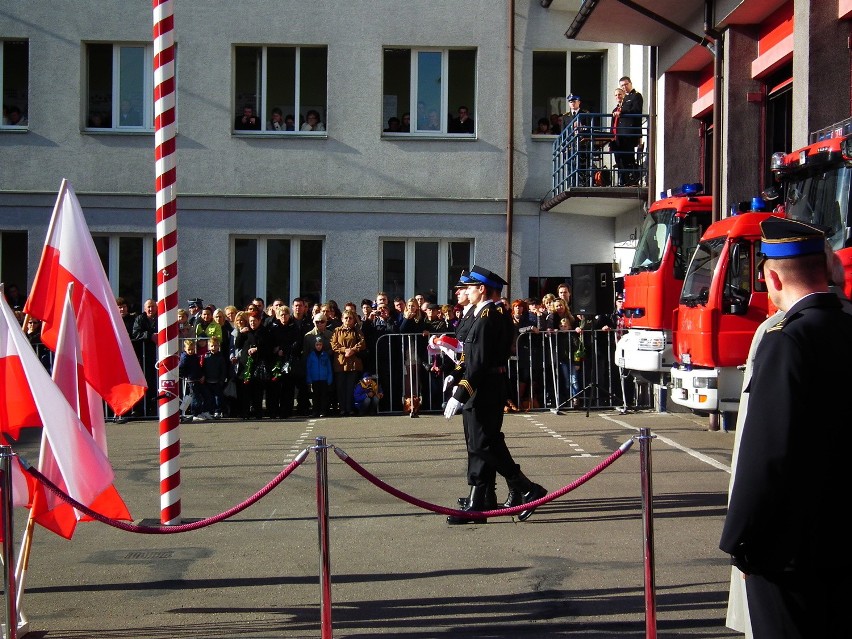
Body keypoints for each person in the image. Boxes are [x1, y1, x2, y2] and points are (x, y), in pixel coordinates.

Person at [719, 218, 852, 638]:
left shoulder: (786, 339)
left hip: (790, 552)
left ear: (772, 277)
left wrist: (741, 541)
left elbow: (767, 454)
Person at [443, 265, 547, 524]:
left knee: (484, 444)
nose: (465, 291)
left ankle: (525, 488)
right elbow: (468, 355)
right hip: (479, 384)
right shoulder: (481, 313)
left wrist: (460, 393)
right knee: (477, 444)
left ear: (481, 289)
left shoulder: (490, 314)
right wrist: (456, 375)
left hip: (486, 386)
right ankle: (480, 501)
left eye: (469, 287)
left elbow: (479, 362)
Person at [331, 309, 366, 417]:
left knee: (351, 387)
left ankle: (350, 408)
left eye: (350, 318)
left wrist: (353, 350)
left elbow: (362, 343)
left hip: (353, 363)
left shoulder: (356, 330)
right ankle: (342, 408)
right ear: (342, 319)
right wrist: (344, 350)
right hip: (341, 363)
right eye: (346, 318)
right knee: (341, 387)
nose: (348, 320)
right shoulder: (337, 330)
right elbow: (333, 344)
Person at [617, 76, 643, 186]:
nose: (624, 87)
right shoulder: (624, 98)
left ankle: (634, 178)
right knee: (623, 158)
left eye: (626, 84)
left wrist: (622, 111)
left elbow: (636, 110)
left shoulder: (636, 96)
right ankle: (626, 180)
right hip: (622, 133)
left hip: (630, 132)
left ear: (630, 83)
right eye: (622, 85)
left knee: (629, 156)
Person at [179, 339, 212, 421]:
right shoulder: (184, 358)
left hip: (198, 379)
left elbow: (198, 368)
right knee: (195, 398)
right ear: (185, 349)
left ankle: (204, 411)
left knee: (206, 395)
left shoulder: (194, 356)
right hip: (192, 381)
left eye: (192, 349)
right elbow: (181, 369)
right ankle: (196, 413)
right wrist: (187, 376)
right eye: (189, 349)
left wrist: (202, 376)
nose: (191, 351)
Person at [564, 94, 592, 186]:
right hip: (570, 145)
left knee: (584, 165)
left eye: (574, 101)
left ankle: (584, 183)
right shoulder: (566, 116)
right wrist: (564, 148)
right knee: (571, 166)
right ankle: (572, 184)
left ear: (579, 102)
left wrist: (581, 128)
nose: (572, 103)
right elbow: (563, 133)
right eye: (570, 102)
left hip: (582, 143)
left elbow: (589, 128)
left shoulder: (585, 113)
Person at [305, 335, 333, 417]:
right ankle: (315, 411)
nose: (318, 346)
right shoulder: (311, 355)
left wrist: (329, 378)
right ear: (314, 345)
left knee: (324, 396)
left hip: (324, 379)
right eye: (317, 345)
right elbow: (308, 368)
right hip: (315, 379)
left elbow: (329, 367)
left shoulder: (325, 355)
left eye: (320, 345)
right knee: (315, 396)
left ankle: (323, 411)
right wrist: (309, 379)